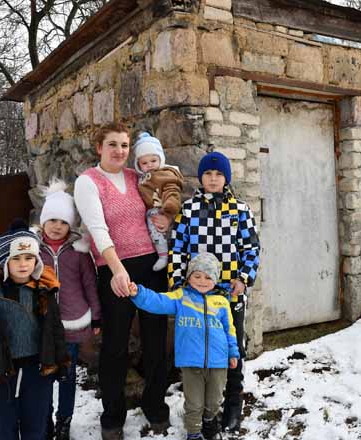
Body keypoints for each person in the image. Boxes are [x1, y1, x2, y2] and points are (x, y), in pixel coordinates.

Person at [74, 123, 170, 440]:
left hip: (151, 267)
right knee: (115, 346)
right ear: (99, 147)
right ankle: (113, 417)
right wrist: (117, 270)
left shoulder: (136, 177)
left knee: (156, 341)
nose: (119, 151)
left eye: (124, 145)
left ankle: (156, 408)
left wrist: (166, 218)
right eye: (112, 144)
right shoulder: (88, 181)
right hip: (114, 269)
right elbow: (98, 229)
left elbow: (161, 204)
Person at [169, 151, 260, 433]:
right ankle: (202, 410)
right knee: (201, 348)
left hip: (229, 293)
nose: (213, 178)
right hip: (197, 295)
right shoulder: (189, 210)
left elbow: (252, 249)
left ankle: (232, 405)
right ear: (201, 177)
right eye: (208, 174)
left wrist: (243, 279)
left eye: (219, 174)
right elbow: (177, 249)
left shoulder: (240, 210)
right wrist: (178, 285)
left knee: (232, 347)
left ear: (226, 178)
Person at [0, 219, 70, 440]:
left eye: (29, 258)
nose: (23, 264)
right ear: (5, 262)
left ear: (36, 260)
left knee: (36, 427)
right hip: (1, 374)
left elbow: (55, 331)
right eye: (16, 258)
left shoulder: (44, 293)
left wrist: (61, 363)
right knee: (3, 428)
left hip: (37, 372)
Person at [128, 252, 239, 440]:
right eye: (197, 276)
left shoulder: (222, 302)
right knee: (194, 403)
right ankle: (193, 432)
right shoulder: (182, 297)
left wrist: (233, 352)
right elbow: (158, 301)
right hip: (191, 362)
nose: (202, 281)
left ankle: (209, 422)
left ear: (215, 279)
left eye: (208, 277)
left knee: (214, 401)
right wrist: (138, 293)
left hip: (218, 362)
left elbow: (230, 329)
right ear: (189, 277)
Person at [35, 178, 102, 440]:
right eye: (52, 220)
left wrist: (96, 316)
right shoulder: (33, 250)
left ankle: (64, 421)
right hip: (41, 324)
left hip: (72, 323)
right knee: (43, 376)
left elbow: (90, 284)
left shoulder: (78, 252)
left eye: (63, 222)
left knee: (67, 376)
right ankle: (45, 420)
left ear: (70, 225)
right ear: (43, 221)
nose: (57, 226)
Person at [132, 132, 183, 272]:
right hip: (148, 211)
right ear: (138, 164)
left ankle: (163, 255)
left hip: (160, 209)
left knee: (156, 230)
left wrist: (169, 209)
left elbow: (172, 190)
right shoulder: (142, 177)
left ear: (161, 158)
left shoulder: (165, 175)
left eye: (153, 161)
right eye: (144, 163)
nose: (149, 165)